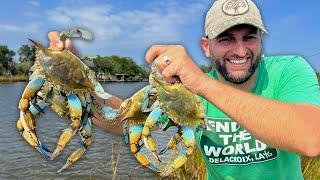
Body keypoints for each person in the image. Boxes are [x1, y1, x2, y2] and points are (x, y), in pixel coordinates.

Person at [48, 0, 320, 179]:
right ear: (205, 46)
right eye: (226, 39)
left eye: (249, 37)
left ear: (260, 40)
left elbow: (311, 138)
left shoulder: (289, 71)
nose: (240, 50)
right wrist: (75, 81)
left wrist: (202, 84)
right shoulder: (183, 91)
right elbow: (122, 120)